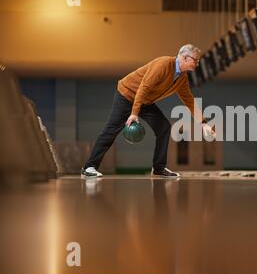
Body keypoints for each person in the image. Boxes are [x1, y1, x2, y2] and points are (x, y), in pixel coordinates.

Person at [81, 44, 214, 178]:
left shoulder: (182, 78)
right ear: (185, 58)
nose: (197, 64)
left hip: (145, 101)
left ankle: (159, 168)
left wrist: (203, 123)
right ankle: (89, 167)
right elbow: (143, 87)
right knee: (111, 129)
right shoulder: (163, 64)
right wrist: (134, 113)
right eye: (195, 60)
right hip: (127, 95)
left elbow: (189, 100)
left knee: (164, 127)